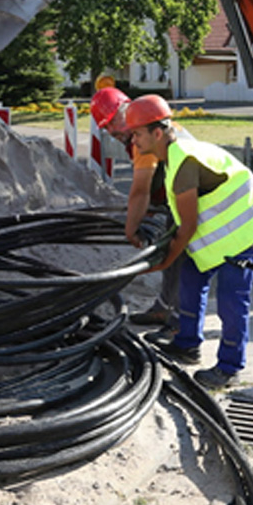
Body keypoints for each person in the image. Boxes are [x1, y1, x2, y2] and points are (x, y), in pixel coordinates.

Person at [124, 94, 253, 390]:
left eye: (137, 134)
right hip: (224, 232)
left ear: (158, 133)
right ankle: (187, 344)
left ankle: (229, 368)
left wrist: (165, 261)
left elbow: (189, 224)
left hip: (246, 228)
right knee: (191, 278)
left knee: (232, 299)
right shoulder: (172, 155)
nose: (133, 140)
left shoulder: (182, 160)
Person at [90, 86, 181, 336]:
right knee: (171, 253)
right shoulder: (141, 133)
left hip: (195, 199)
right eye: (106, 127)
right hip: (178, 197)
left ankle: (179, 325)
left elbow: (140, 190)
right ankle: (164, 309)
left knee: (184, 258)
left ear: (126, 109)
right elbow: (152, 186)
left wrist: (131, 229)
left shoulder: (145, 136)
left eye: (113, 122)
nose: (112, 131)